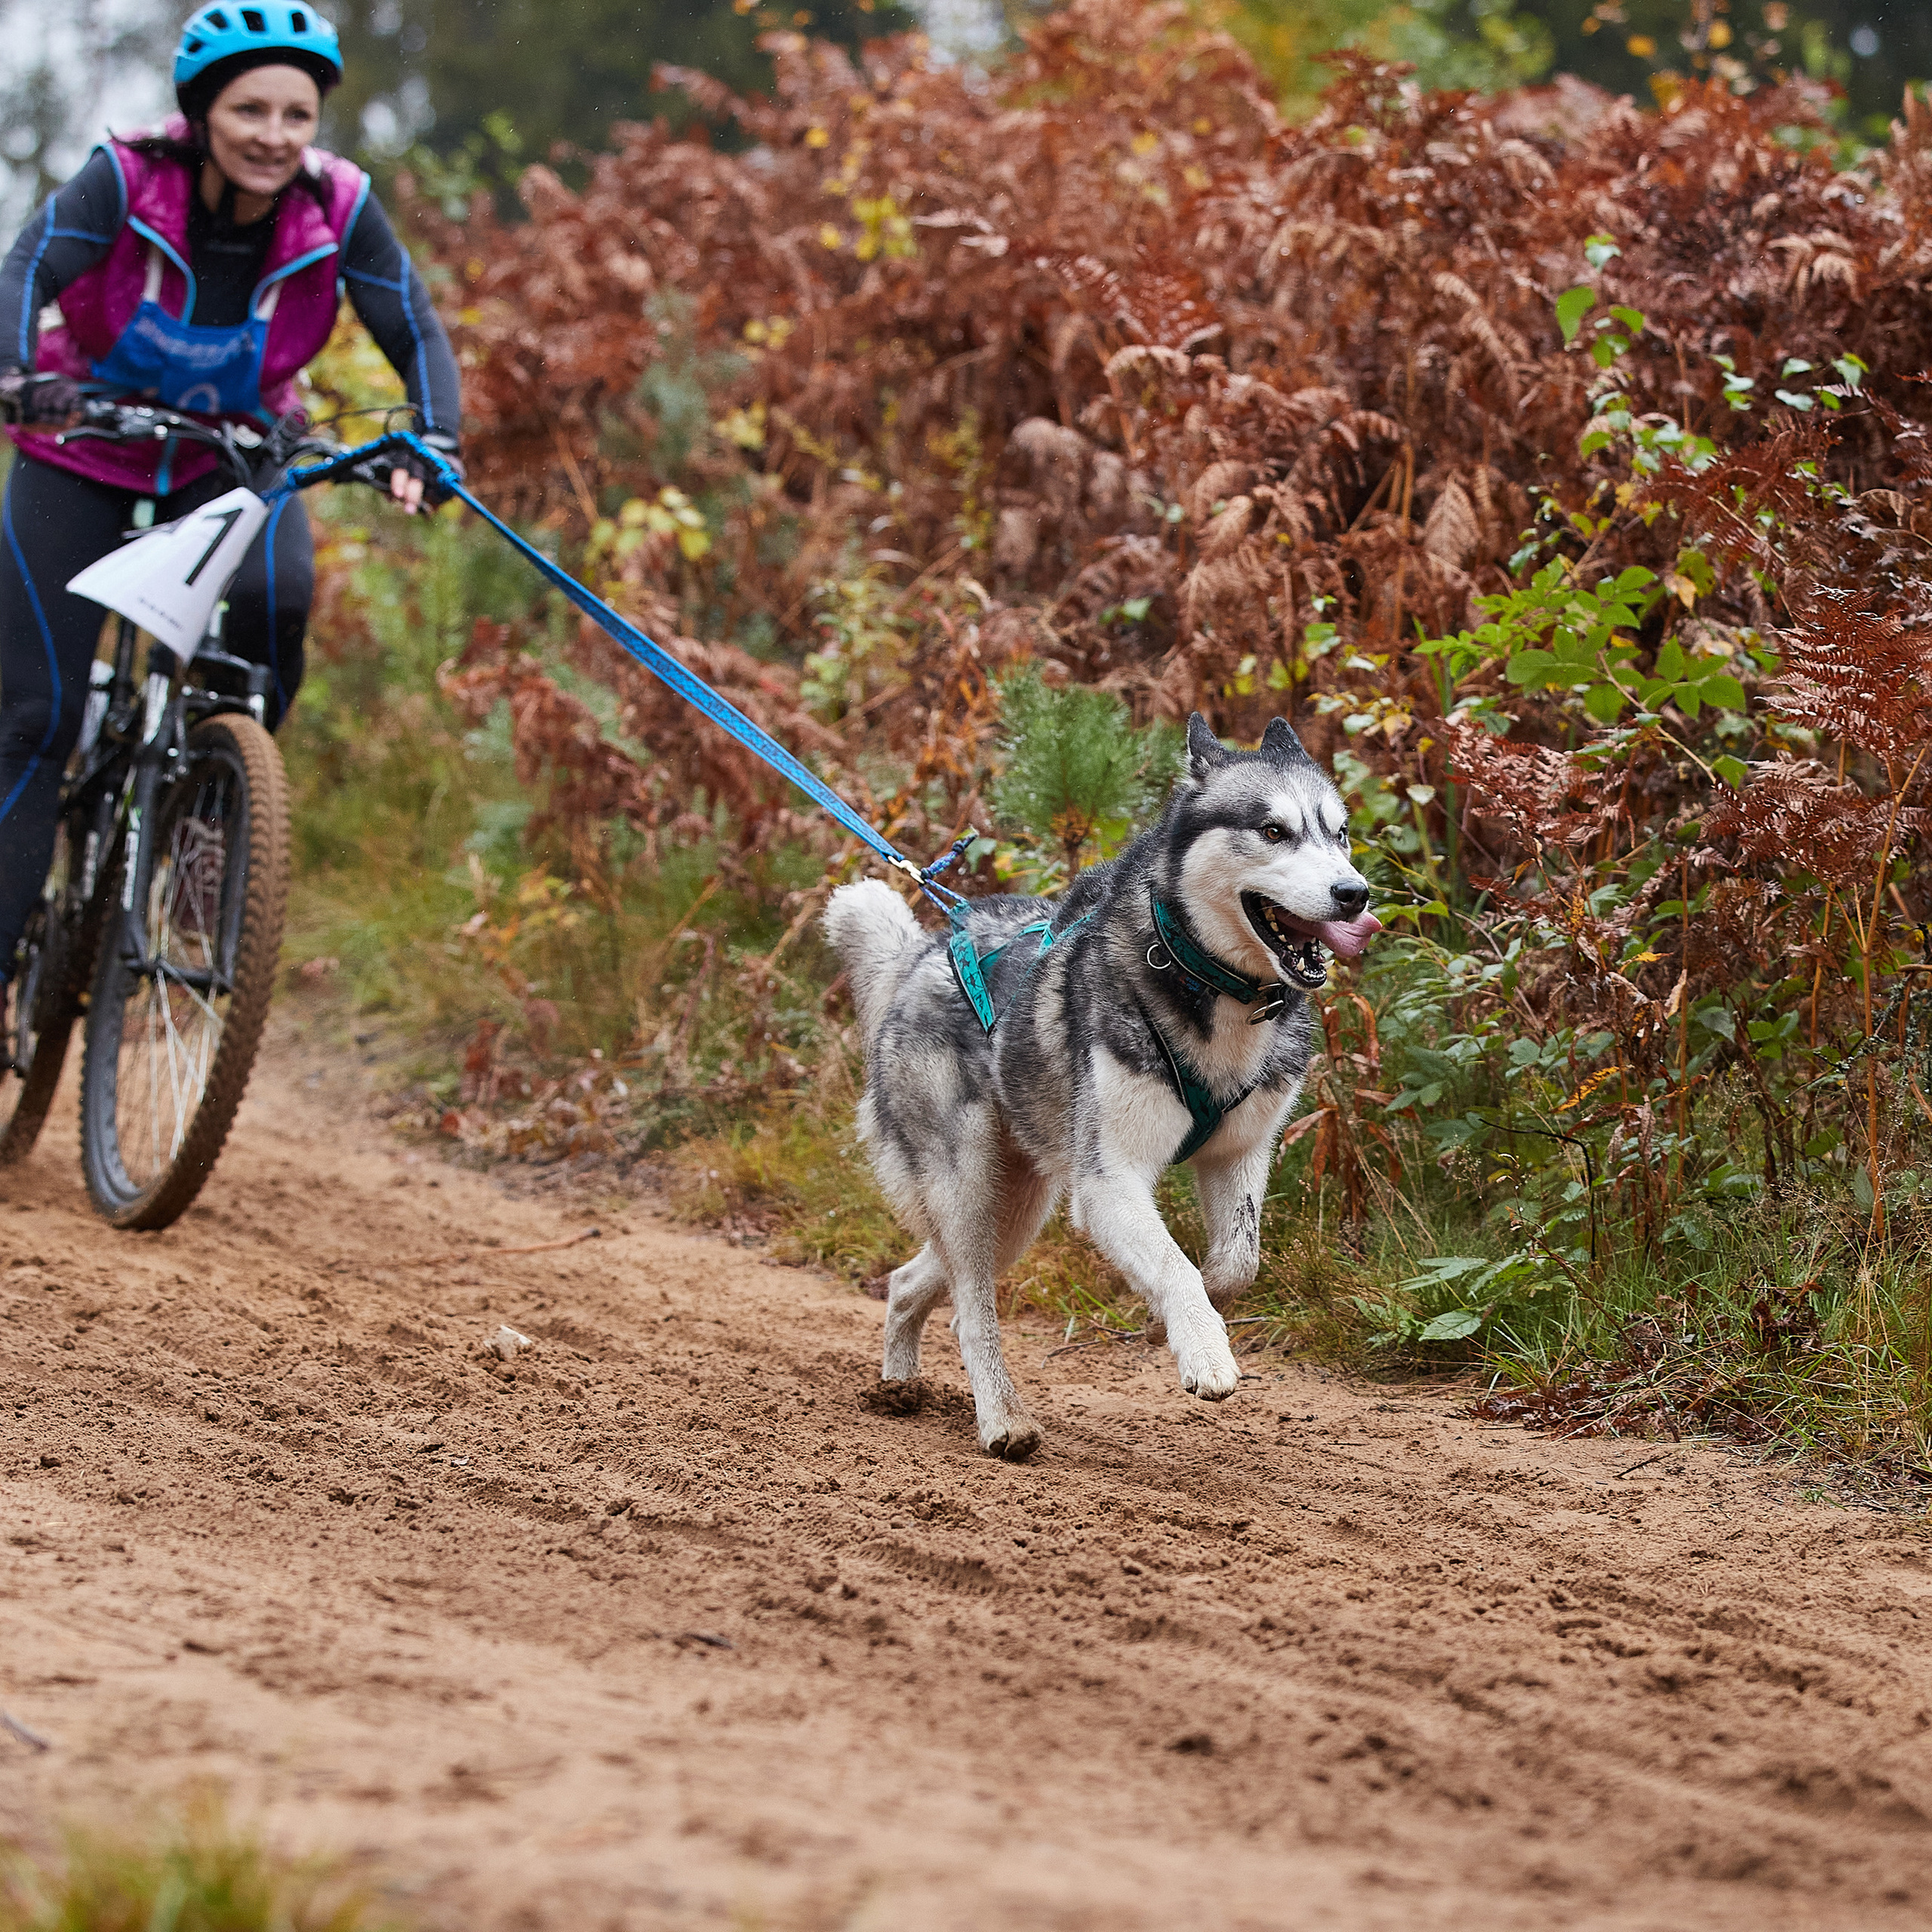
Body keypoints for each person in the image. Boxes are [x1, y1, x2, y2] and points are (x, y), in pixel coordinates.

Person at [0, 2, 462, 1059]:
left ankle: (209, 820)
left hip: (233, 458)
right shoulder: (127, 177)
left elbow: (415, 326)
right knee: (35, 718)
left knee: (274, 603)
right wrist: (18, 377)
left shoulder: (337, 205)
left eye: (297, 114)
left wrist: (434, 442)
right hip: (84, 450)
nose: (274, 134)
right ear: (202, 112)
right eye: (251, 109)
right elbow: (26, 269)